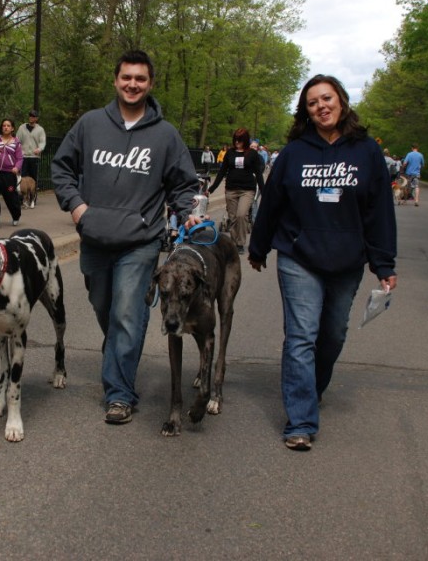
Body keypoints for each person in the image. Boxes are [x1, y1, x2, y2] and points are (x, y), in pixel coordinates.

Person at [52, 49, 203, 425]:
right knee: (105, 308)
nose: (132, 84)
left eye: (140, 79)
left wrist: (188, 214)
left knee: (126, 313)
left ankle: (119, 394)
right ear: (116, 80)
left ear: (150, 84)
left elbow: (184, 184)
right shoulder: (89, 124)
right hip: (96, 237)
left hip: (141, 240)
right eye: (126, 77)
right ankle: (118, 350)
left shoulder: (165, 134)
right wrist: (76, 207)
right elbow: (61, 167)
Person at [247, 74, 397, 452]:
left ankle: (310, 390)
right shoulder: (295, 152)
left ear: (341, 101)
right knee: (301, 337)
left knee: (332, 336)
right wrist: (258, 247)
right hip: (299, 256)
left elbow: (379, 211)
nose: (321, 106)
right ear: (306, 111)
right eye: (313, 103)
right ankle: (300, 420)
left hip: (347, 259)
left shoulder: (366, 152)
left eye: (326, 99)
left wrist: (384, 264)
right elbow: (272, 204)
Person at [206, 127, 265, 255]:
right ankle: (234, 244)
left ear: (245, 140)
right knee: (232, 218)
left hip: (247, 190)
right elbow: (222, 173)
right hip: (231, 189)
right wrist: (211, 189)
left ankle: (240, 242)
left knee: (241, 215)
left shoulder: (252, 154)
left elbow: (258, 174)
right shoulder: (230, 153)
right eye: (235, 140)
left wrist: (264, 191)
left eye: (240, 140)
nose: (237, 142)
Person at [16, 109, 47, 184]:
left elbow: (42, 142)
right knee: (23, 177)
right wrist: (18, 151)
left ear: (36, 118)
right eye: (30, 116)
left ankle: (33, 194)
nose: (31, 118)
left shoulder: (40, 130)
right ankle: (22, 194)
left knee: (33, 177)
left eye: (33, 116)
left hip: (34, 157)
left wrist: (39, 149)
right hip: (23, 157)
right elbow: (17, 140)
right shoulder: (22, 128)